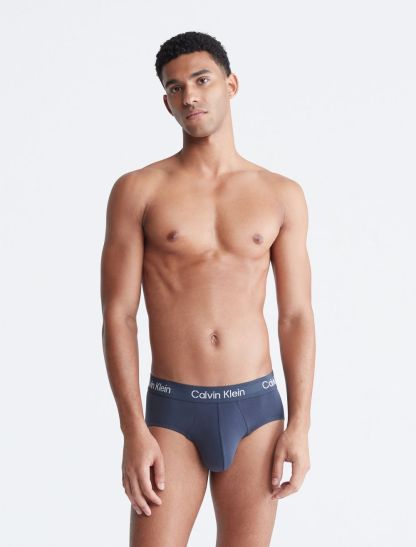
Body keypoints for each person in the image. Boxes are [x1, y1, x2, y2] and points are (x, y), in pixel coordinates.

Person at [100, 30, 316, 547]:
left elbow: (296, 316)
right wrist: (133, 429)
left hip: (256, 409)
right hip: (172, 413)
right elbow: (118, 315)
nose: (189, 96)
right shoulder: (138, 190)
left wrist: (300, 425)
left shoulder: (280, 194)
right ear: (166, 102)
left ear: (231, 85)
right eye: (175, 88)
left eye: (201, 81)